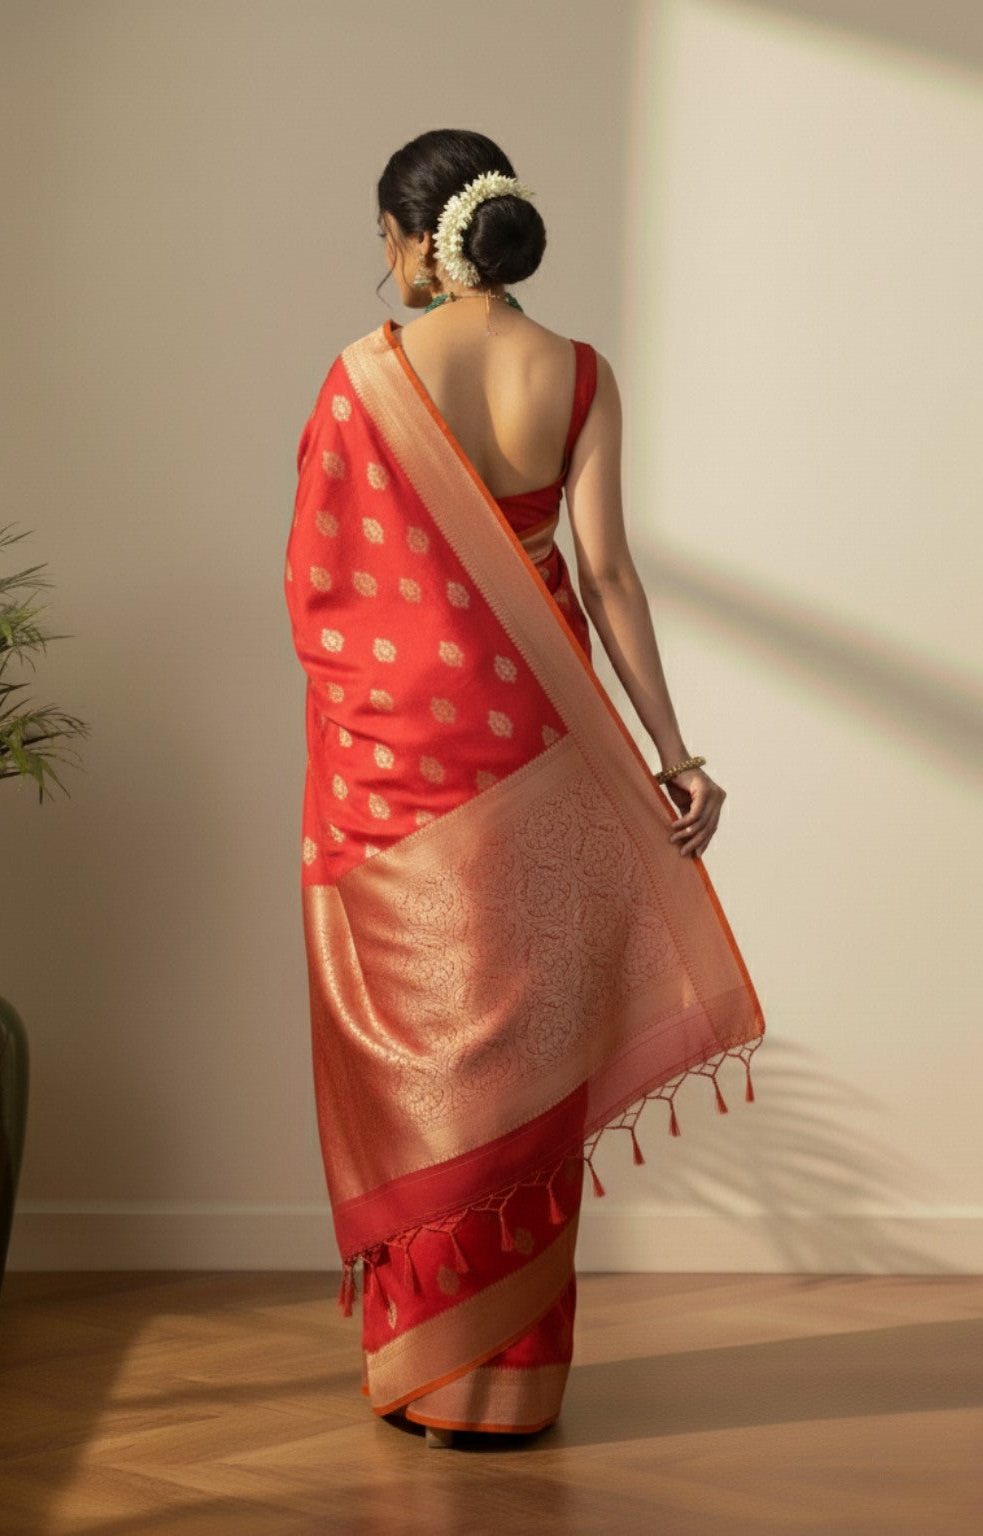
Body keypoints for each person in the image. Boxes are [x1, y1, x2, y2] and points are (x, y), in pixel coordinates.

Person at [283, 129, 764, 1447]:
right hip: (550, 752)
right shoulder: (580, 374)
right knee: (529, 1056)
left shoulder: (366, 377)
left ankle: (431, 1375)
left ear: (411, 239)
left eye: (381, 240)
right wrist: (673, 756)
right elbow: (605, 577)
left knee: (429, 1055)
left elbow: (320, 591)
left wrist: (378, 697)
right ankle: (509, 1392)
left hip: (402, 766)